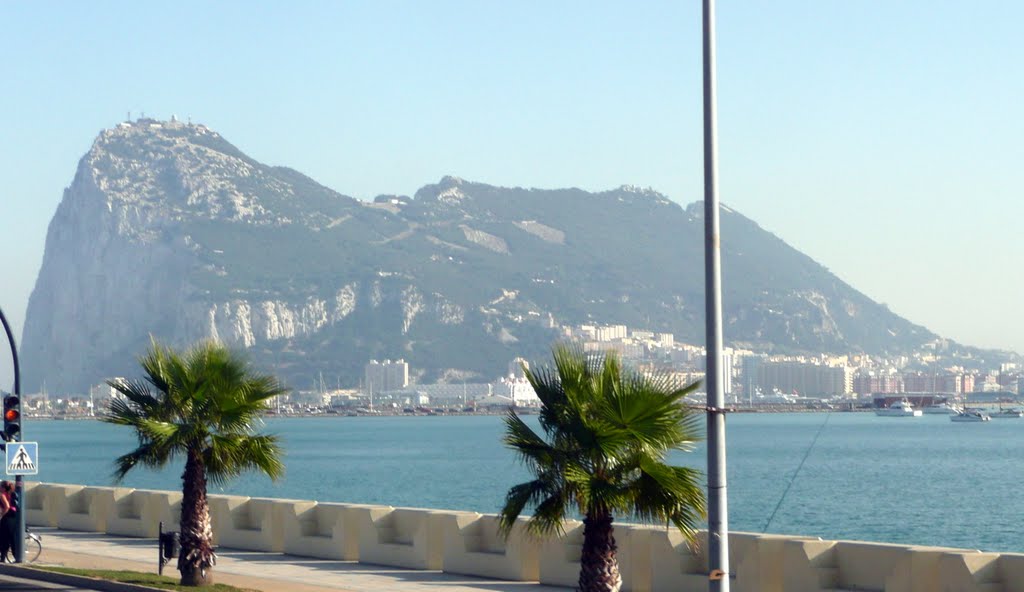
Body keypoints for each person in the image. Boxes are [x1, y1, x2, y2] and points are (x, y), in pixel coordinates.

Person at [0, 481, 14, 562]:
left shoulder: (2, 495)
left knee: (3, 539)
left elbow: (7, 506)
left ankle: (2, 558)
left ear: (3, 488)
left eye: (0, 486)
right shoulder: (10, 494)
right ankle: (3, 558)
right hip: (11, 519)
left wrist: (1, 515)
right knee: (5, 539)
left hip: (6, 519)